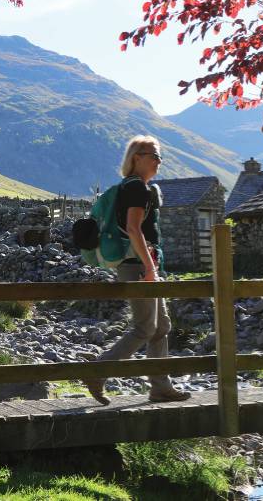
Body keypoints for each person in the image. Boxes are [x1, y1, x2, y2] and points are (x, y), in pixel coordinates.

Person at [84, 135, 191, 405]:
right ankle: (98, 371)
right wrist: (149, 267)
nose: (158, 161)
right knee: (145, 327)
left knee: (161, 326)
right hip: (136, 266)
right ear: (137, 158)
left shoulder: (134, 187)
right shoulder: (136, 189)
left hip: (139, 264)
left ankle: (160, 387)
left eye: (159, 156)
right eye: (153, 155)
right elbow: (133, 229)